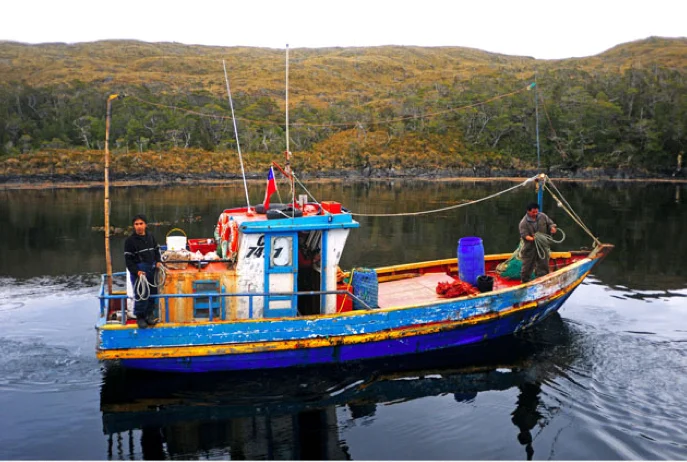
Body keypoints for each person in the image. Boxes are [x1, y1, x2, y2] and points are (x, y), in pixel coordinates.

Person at [124, 214, 162, 328]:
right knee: (141, 295)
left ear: (145, 225)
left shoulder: (151, 237)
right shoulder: (129, 241)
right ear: (133, 226)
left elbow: (156, 250)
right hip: (139, 272)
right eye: (136, 224)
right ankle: (140, 317)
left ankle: (149, 315)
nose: (139, 226)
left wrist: (158, 261)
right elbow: (128, 261)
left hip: (151, 269)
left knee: (152, 293)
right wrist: (137, 272)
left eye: (141, 224)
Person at [518, 202, 556, 283]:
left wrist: (552, 228)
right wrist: (533, 239)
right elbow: (524, 235)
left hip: (542, 246)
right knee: (527, 265)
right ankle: (525, 281)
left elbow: (550, 223)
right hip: (530, 247)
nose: (535, 213)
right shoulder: (523, 223)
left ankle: (543, 280)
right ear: (528, 211)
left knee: (543, 263)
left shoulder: (542, 216)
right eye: (533, 212)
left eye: (536, 211)